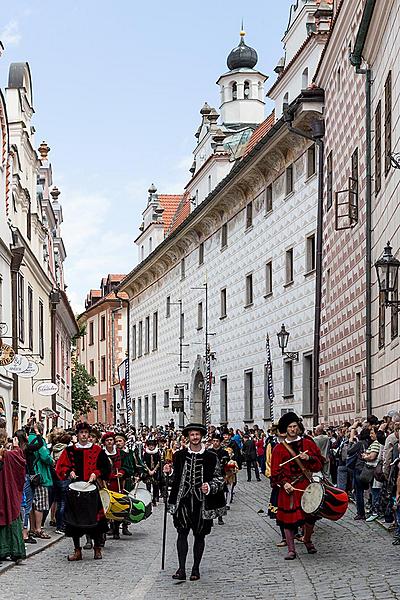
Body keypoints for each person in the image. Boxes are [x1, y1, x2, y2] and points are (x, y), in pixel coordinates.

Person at [164, 423, 226, 581]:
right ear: (188, 437)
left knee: (200, 536)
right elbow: (174, 479)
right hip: (183, 501)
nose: (195, 437)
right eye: (192, 435)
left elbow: (220, 479)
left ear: (201, 436)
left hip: (202, 503)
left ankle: (196, 568)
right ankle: (181, 568)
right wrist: (168, 472)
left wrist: (210, 486)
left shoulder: (211, 457)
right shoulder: (179, 455)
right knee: (181, 533)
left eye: (197, 434)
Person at [271, 412, 324, 560]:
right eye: (290, 427)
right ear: (285, 429)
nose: (293, 429)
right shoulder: (279, 449)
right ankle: (291, 549)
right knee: (288, 520)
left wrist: (309, 458)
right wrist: (284, 483)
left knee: (310, 516)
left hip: (305, 484)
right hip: (288, 487)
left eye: (295, 426)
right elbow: (275, 471)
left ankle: (307, 540)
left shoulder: (308, 444)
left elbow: (319, 462)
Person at [56, 422, 111, 561]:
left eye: (86, 433)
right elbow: (60, 467)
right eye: (81, 433)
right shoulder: (69, 451)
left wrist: (96, 473)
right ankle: (77, 551)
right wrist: (69, 472)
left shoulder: (98, 450)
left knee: (95, 521)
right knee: (74, 522)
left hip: (92, 491)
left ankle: (97, 548)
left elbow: (106, 468)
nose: (84, 435)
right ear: (77, 435)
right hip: (76, 490)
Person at [0, 431, 26, 563]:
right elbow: (20, 459)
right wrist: (16, 447)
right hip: (7, 492)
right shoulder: (9, 455)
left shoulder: (6, 455)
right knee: (12, 517)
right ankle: (14, 550)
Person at [28, 422, 54, 539]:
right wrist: (52, 461)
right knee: (40, 504)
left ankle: (32, 528)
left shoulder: (28, 439)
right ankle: (38, 529)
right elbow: (45, 457)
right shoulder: (40, 440)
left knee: (31, 504)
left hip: (30, 475)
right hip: (41, 475)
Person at [210, 434, 229, 524]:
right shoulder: (209, 452)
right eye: (214, 441)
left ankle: (220, 517)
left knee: (220, 497)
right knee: (210, 497)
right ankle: (210, 517)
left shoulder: (224, 452)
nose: (215, 443)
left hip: (221, 477)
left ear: (220, 442)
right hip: (210, 477)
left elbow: (227, 465)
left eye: (217, 441)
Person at [142, 437, 161, 507]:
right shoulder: (145, 453)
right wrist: (148, 470)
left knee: (156, 486)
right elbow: (144, 463)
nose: (151, 446)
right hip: (148, 472)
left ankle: (155, 499)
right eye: (150, 445)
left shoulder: (157, 453)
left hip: (156, 472)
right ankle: (148, 499)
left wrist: (154, 470)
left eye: (152, 445)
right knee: (148, 486)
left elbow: (159, 463)